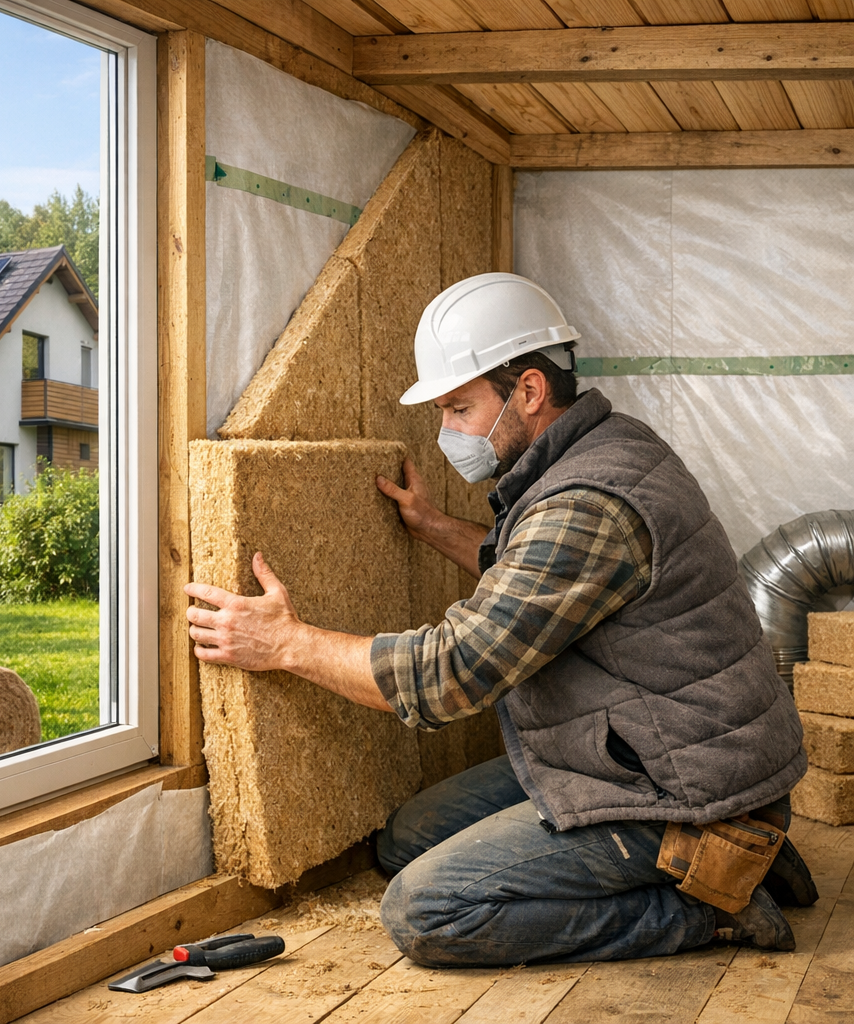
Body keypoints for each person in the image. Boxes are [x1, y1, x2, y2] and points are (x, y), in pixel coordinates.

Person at [184, 273, 815, 966]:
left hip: (681, 785)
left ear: (530, 391)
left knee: (428, 911)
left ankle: (708, 901)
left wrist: (285, 643)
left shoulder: (587, 501)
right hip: (651, 748)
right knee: (405, 839)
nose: (448, 432)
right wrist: (431, 527)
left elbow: (452, 674)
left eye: (459, 407)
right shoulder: (605, 445)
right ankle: (730, 859)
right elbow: (538, 585)